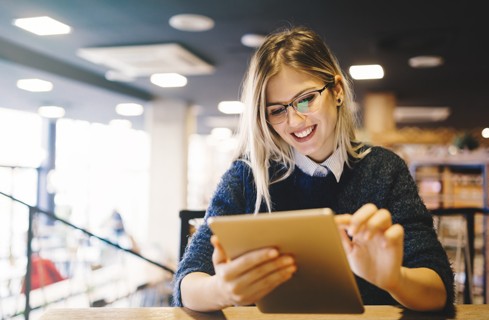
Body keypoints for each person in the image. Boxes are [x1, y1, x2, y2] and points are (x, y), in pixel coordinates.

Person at [172, 26, 454, 313]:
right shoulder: (247, 175)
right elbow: (188, 281)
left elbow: (438, 290)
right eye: (277, 110)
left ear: (338, 91)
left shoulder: (384, 169)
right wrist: (220, 289)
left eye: (306, 99)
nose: (295, 121)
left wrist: (394, 279)